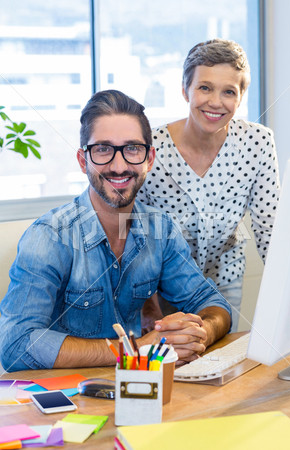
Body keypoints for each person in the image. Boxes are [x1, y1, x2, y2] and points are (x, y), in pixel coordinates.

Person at [0, 89, 231, 372]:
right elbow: (15, 345)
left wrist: (199, 333)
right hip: (68, 400)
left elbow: (211, 303)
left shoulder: (161, 229)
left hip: (136, 388)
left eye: (132, 148)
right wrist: (136, 350)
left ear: (149, 159)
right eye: (103, 149)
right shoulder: (48, 236)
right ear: (83, 160)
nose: (119, 165)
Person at [138, 39, 280, 331]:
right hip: (159, 285)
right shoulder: (150, 146)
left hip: (224, 279)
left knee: (216, 362)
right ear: (185, 89)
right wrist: (147, 304)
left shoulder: (258, 142)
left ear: (241, 96)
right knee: (168, 364)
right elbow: (135, 233)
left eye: (229, 91)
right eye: (205, 87)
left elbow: (270, 231)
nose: (216, 102)